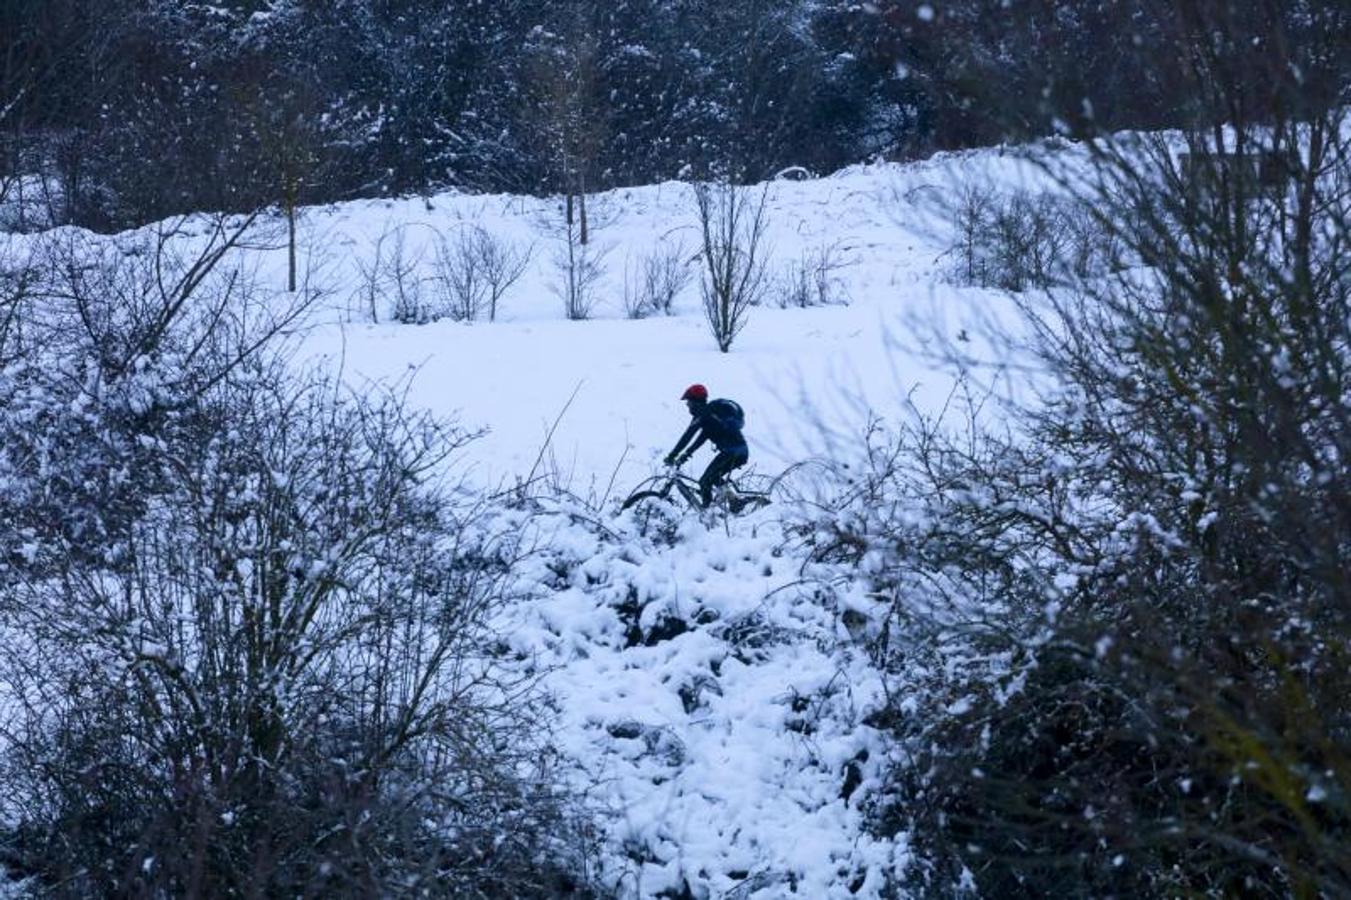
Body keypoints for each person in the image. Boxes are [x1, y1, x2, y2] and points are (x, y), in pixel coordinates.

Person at [663, 383, 748, 507]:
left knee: (704, 481)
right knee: (713, 478)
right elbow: (701, 439)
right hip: (739, 452)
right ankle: (734, 501)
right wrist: (685, 455)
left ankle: (707, 513)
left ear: (695, 401)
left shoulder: (703, 414)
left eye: (689, 402)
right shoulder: (710, 417)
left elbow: (687, 437)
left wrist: (672, 456)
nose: (687, 405)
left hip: (732, 453)